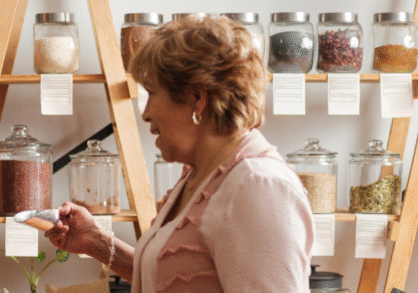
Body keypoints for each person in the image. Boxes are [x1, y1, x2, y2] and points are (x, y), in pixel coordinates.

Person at [45, 16, 314, 292]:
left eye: (151, 93)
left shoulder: (257, 186)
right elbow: (175, 278)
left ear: (196, 98)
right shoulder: (200, 175)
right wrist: (97, 242)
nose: (146, 113)